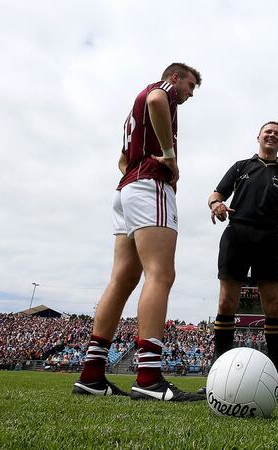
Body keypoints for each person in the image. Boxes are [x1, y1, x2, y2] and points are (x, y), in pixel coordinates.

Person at [72, 63, 203, 401]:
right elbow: (159, 101)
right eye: (190, 85)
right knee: (160, 275)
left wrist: (137, 169)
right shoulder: (161, 91)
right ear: (175, 77)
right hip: (149, 186)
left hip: (126, 187)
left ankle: (91, 375)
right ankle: (147, 378)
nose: (190, 93)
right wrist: (170, 159)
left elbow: (121, 158)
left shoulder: (133, 112)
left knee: (122, 279)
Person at [207, 121, 278, 396]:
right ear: (259, 137)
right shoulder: (241, 167)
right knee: (227, 302)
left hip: (269, 239)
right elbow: (216, 194)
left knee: (272, 306)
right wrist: (217, 205)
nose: (272, 135)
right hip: (236, 235)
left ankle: (276, 376)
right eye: (268, 132)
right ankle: (218, 372)